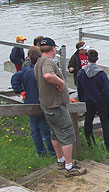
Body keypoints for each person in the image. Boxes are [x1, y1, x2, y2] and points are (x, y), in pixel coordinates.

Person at [34, 37, 86, 177]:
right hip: (56, 106)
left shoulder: (38, 61)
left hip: (47, 104)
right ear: (53, 49)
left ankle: (60, 160)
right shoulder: (47, 61)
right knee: (67, 135)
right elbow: (47, 75)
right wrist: (61, 83)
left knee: (55, 133)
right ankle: (69, 166)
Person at [11, 46, 56, 157]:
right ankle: (52, 152)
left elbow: (14, 79)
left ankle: (40, 152)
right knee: (46, 129)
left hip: (29, 104)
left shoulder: (25, 71)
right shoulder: (42, 71)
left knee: (35, 130)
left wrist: (20, 91)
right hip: (42, 103)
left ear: (29, 58)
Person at [76, 49, 109, 152]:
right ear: (97, 59)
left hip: (88, 101)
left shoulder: (81, 72)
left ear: (87, 58)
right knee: (105, 125)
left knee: (88, 123)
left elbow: (79, 88)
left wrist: (81, 100)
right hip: (101, 102)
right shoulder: (101, 74)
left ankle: (90, 144)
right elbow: (107, 90)